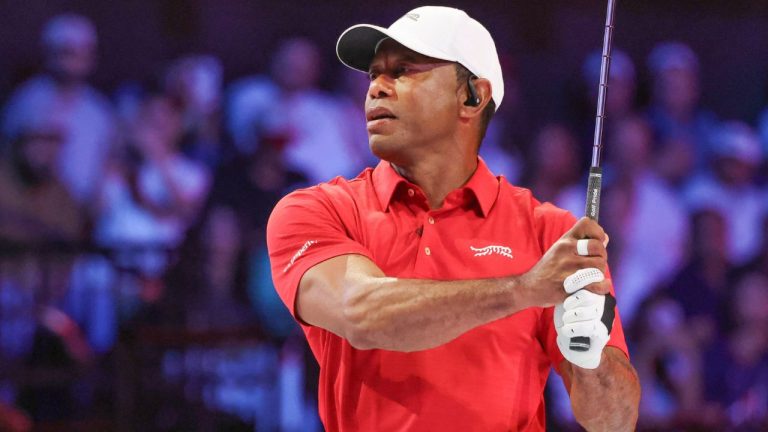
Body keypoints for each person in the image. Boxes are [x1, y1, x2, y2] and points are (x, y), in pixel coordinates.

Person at [267, 6, 639, 431]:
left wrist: (590, 360)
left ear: (472, 96)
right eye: (374, 74)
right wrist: (523, 289)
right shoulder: (320, 210)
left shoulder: (550, 234)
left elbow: (615, 422)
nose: (375, 90)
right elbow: (361, 312)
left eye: (403, 71)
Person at [1, 13, 116, 208]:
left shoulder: (99, 111)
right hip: (31, 209)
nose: (75, 62)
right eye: (68, 52)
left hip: (79, 215)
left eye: (83, 53)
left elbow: (105, 163)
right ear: (50, 54)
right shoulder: (26, 101)